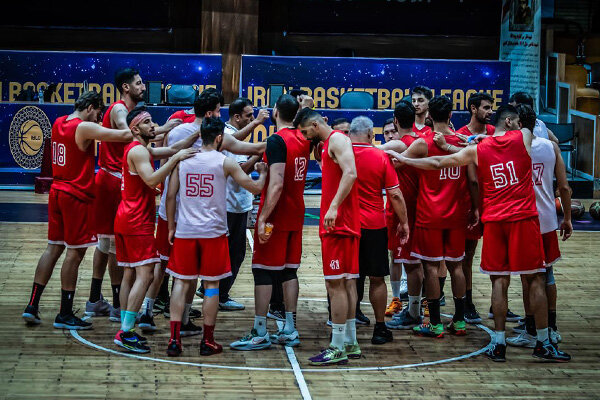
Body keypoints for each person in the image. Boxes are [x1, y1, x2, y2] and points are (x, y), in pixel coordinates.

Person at [388, 104, 571, 362]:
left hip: (494, 221)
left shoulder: (478, 149)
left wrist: (407, 159)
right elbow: (546, 135)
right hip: (522, 219)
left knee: (499, 282)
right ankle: (543, 341)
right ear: (511, 122)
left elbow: (439, 162)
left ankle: (499, 343)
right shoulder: (523, 137)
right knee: (536, 280)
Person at [150, 90, 266, 333]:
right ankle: (206, 336)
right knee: (210, 284)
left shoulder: (180, 148)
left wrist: (170, 225)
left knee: (174, 274)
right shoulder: (224, 159)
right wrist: (268, 165)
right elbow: (251, 160)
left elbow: (167, 185)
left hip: (181, 222)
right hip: (211, 228)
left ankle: (155, 317)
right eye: (219, 110)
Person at [22, 91, 132, 329]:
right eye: (98, 113)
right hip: (75, 196)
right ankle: (64, 313)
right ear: (90, 107)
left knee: (53, 248)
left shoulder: (58, 122)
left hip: (56, 192)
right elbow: (125, 135)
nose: (98, 119)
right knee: (75, 254)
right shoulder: (84, 127)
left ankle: (32, 305)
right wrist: (128, 119)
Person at [87, 68, 180, 322]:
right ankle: (110, 304)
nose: (143, 87)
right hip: (112, 181)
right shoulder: (120, 110)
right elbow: (129, 132)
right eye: (138, 83)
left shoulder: (137, 130)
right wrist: (163, 129)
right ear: (126, 87)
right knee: (110, 246)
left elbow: (146, 140)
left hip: (120, 181)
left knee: (114, 250)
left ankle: (109, 302)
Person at [113, 106, 198, 353]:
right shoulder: (139, 151)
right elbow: (152, 180)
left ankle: (125, 327)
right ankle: (125, 331)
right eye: (147, 122)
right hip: (136, 220)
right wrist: (174, 161)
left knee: (130, 274)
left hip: (125, 217)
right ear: (135, 129)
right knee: (146, 275)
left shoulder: (141, 148)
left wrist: (196, 134)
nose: (153, 125)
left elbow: (173, 148)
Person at [230, 94, 310, 350]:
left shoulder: (277, 140)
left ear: (275, 112)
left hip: (276, 214)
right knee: (289, 271)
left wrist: (263, 216)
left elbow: (276, 185)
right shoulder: (303, 138)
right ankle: (290, 328)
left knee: (262, 270)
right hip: (296, 213)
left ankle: (260, 331)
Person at [397, 96, 476, 338]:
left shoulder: (423, 143)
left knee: (430, 268)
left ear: (429, 116)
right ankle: (459, 322)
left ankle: (434, 324)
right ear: (451, 115)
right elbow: (473, 180)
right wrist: (475, 208)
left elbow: (397, 163)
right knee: (457, 267)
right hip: (456, 215)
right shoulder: (463, 144)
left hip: (429, 215)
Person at [295, 108, 360, 366]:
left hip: (339, 225)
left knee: (336, 284)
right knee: (347, 283)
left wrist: (333, 207)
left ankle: (337, 346)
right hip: (345, 223)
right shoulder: (329, 143)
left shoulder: (337, 140)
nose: (304, 137)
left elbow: (351, 173)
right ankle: (350, 342)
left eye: (305, 132)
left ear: (314, 125)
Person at [507, 104, 573, 348]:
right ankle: (551, 328)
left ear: (516, 122)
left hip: (524, 219)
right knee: (548, 275)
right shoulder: (551, 147)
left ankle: (531, 329)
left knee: (528, 279)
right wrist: (567, 218)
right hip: (547, 220)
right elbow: (564, 187)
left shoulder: (511, 148)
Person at [348, 116, 409, 345]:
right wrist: (404, 222)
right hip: (374, 225)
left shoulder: (338, 155)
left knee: (350, 279)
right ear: (370, 135)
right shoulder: (380, 156)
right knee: (377, 279)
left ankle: (347, 330)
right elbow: (395, 194)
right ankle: (380, 328)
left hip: (347, 225)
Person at [219, 98, 268, 311]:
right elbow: (242, 171)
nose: (252, 119)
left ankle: (212, 289)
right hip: (230, 205)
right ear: (237, 117)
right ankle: (221, 295)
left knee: (232, 252)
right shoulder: (227, 135)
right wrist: (259, 155)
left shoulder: (232, 135)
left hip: (236, 203)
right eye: (249, 116)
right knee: (234, 253)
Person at [385, 101, 428, 329]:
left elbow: (373, 152)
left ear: (395, 121)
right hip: (413, 207)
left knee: (411, 264)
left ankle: (413, 313)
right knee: (409, 261)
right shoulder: (417, 141)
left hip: (406, 210)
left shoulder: (403, 144)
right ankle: (413, 309)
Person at [455, 92, 495, 324]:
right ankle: (467, 303)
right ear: (473, 109)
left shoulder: (495, 133)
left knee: (498, 257)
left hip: (495, 204)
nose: (490, 112)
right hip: (471, 205)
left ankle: (497, 304)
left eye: (491, 108)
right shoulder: (461, 135)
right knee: (467, 257)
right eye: (486, 107)